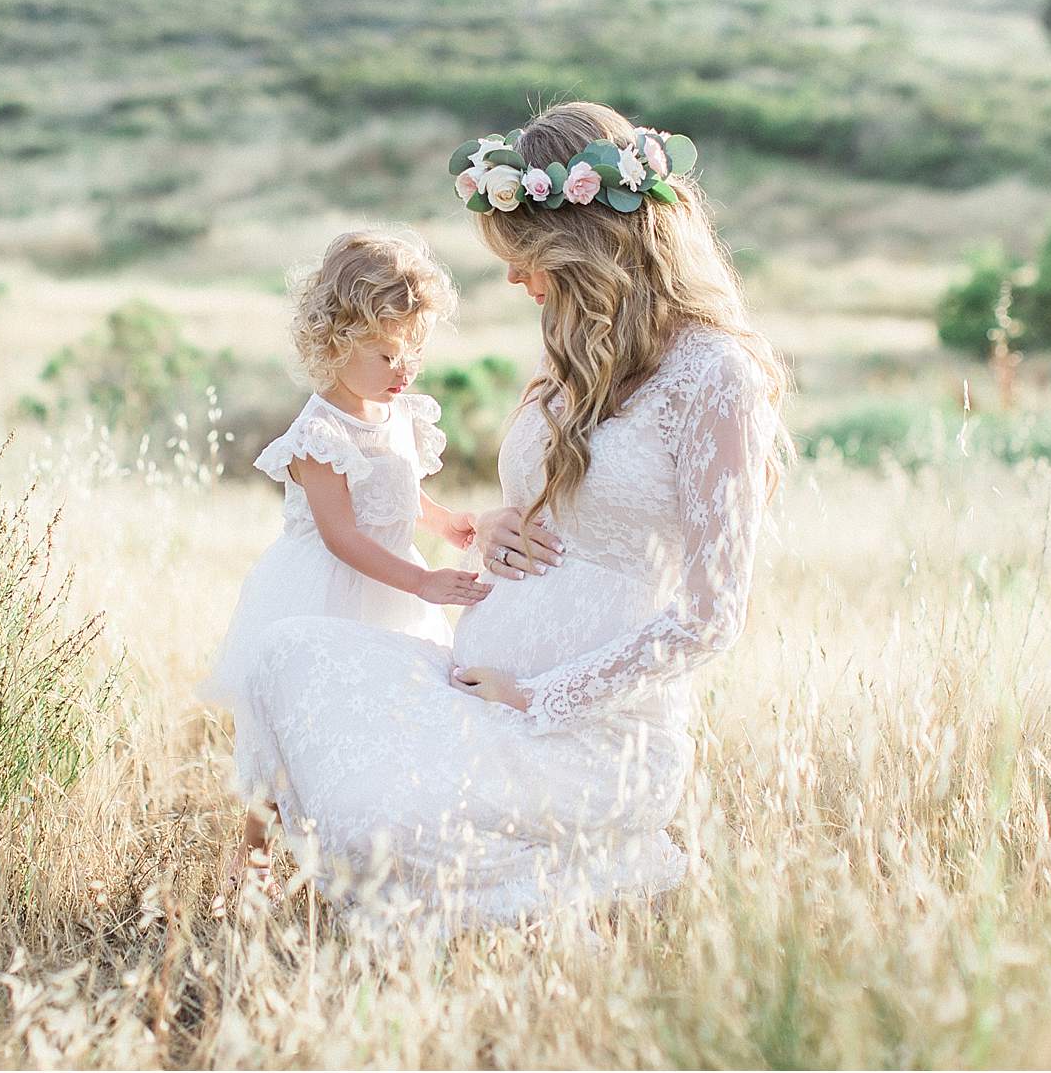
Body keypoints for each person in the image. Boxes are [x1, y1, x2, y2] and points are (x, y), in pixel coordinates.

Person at [234, 101, 794, 936]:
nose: (514, 279)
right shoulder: (576, 346)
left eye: (526, 255)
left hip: (589, 733)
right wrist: (496, 526)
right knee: (286, 655)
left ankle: (585, 868)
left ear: (589, 246)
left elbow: (712, 618)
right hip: (482, 688)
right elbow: (567, 507)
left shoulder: (717, 375)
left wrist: (539, 695)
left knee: (378, 823)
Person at [196, 228, 490, 895]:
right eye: (385, 353)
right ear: (334, 343)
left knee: (388, 714)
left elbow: (395, 487)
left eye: (411, 351)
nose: (404, 370)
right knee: (290, 732)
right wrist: (424, 580)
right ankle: (256, 866)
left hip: (391, 584)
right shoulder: (318, 435)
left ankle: (371, 851)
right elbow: (341, 534)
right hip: (328, 587)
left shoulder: (395, 413)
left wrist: (442, 520)